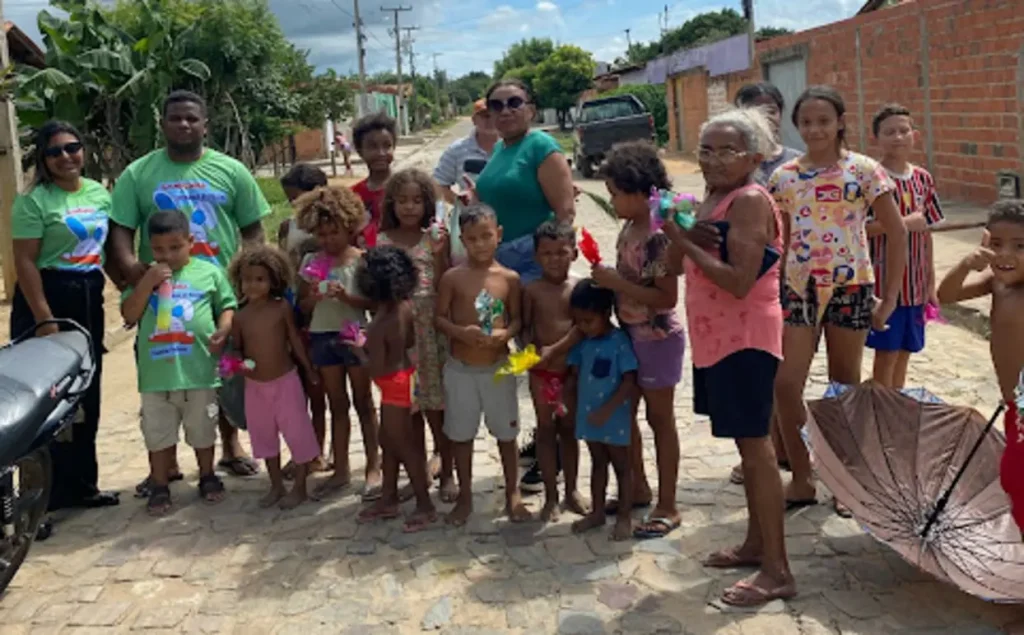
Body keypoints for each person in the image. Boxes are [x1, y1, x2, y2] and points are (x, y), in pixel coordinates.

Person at [107, 90, 270, 495]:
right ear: (162, 123)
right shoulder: (138, 174)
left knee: (220, 371)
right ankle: (164, 466)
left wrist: (252, 277)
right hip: (161, 294)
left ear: (204, 125)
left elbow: (253, 229)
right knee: (161, 373)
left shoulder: (231, 171)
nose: (184, 124)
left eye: (191, 119)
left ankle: (230, 448)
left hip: (218, 287)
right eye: (175, 118)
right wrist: (132, 271)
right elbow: (121, 231)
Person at [666, 108, 795, 607]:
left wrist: (682, 242)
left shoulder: (748, 201)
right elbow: (681, 264)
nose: (713, 160)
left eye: (726, 151)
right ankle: (755, 544)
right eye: (706, 150)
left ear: (754, 157)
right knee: (746, 447)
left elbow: (739, 282)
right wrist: (679, 238)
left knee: (757, 448)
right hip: (717, 338)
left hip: (746, 337)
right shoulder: (715, 198)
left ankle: (778, 570)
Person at [767, 86, 908, 516]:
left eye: (824, 121)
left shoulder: (865, 171)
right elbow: (781, 238)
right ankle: (803, 477)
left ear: (841, 122)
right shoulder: (784, 177)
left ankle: (847, 480)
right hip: (798, 289)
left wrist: (889, 302)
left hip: (851, 288)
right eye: (806, 122)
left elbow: (897, 232)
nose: (815, 129)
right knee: (787, 384)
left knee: (843, 385)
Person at [9, 120, 119, 513]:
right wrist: (45, 319)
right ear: (43, 158)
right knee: (46, 401)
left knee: (86, 394)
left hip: (88, 295)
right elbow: (24, 261)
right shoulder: (34, 201)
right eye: (54, 152)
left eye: (72, 147)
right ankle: (40, 503)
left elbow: (107, 252)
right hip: (47, 297)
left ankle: (82, 486)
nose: (65, 157)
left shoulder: (99, 194)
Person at [590, 141, 685, 539]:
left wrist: (616, 281)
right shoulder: (630, 228)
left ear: (640, 191)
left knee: (659, 418)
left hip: (657, 339)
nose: (612, 201)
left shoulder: (658, 236)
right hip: (629, 334)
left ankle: (668, 503)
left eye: (615, 193)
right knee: (626, 417)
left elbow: (666, 298)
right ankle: (638, 486)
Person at [120, 211, 235, 515]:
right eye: (158, 249)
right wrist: (147, 283)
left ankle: (207, 475)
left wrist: (224, 328)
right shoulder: (144, 277)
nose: (167, 255)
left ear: (191, 243)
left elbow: (226, 305)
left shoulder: (208, 273)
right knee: (157, 432)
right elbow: (129, 314)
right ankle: (160, 485)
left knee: (202, 427)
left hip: (198, 370)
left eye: (175, 247)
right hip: (157, 375)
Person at [434, 203, 531, 526]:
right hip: (461, 368)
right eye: (472, 239)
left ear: (498, 235)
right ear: (462, 239)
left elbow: (517, 319)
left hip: (498, 367)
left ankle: (512, 493)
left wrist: (505, 333)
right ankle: (465, 497)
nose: (480, 244)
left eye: (486, 236)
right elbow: (439, 318)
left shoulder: (509, 278)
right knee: (461, 435)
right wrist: (461, 332)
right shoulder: (453, 278)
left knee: (506, 434)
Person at [727, 81, 801, 486]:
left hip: (795, 280)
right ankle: (767, 449)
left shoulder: (796, 163)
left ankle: (788, 447)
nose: (767, 114)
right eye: (756, 108)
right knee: (762, 373)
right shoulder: (737, 167)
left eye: (772, 107)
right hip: (751, 286)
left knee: (787, 375)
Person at [937, 200, 1024, 536]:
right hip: (1012, 401)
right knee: (1014, 477)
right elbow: (945, 295)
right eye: (997, 245)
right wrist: (965, 264)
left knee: (1016, 474)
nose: (1006, 256)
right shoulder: (996, 283)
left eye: (1020, 247)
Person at [295, 186, 381, 501]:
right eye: (322, 234)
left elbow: (372, 304)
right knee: (337, 404)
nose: (329, 240)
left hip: (354, 333)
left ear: (350, 227)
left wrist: (346, 297)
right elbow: (302, 306)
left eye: (335, 232)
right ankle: (341, 468)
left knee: (364, 402)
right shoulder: (312, 261)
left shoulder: (361, 260)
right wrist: (314, 296)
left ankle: (374, 465)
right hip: (323, 335)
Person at [377, 169, 455, 501]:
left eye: (417, 201)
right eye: (402, 201)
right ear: (391, 204)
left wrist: (438, 253)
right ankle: (419, 471)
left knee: (437, 406)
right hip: (400, 335)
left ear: (427, 204)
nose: (409, 208)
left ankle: (448, 470)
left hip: (430, 332)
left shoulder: (433, 237)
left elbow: (443, 283)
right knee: (408, 408)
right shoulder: (383, 240)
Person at [228, 245, 320, 510]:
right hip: (255, 386)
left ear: (273, 280)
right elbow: (237, 347)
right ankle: (276, 484)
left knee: (297, 433)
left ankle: (300, 486)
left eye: (260, 279)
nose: (253, 285)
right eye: (247, 279)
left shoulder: (281, 309)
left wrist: (309, 369)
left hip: (286, 381)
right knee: (263, 437)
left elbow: (294, 340)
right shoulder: (240, 316)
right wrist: (236, 363)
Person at [355, 245, 437, 532]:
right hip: (405, 377)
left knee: (402, 445)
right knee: (388, 441)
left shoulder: (381, 322)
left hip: (393, 386)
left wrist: (359, 350)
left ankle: (425, 505)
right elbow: (409, 344)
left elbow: (374, 366)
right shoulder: (405, 308)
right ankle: (388, 497)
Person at [865, 104, 945, 388]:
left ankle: (896, 407)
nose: (897, 137)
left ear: (915, 135)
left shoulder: (923, 179)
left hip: (916, 284)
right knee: (885, 354)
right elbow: (859, 229)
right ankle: (881, 410)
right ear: (875, 138)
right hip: (886, 286)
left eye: (903, 130)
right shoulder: (870, 178)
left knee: (906, 351)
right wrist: (902, 223)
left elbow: (928, 232)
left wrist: (931, 282)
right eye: (889, 132)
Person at [473, 79, 576, 284]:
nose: (505, 111)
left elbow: (565, 214)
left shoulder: (541, 146)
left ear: (531, 110)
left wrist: (549, 262)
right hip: (498, 259)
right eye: (496, 105)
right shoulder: (499, 149)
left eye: (514, 103)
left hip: (531, 263)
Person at [522, 220, 588, 521]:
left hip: (571, 372)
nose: (554, 259)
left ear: (574, 253)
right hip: (541, 374)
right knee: (546, 431)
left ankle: (572, 489)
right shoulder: (531, 290)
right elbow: (523, 328)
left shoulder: (578, 287)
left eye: (561, 252)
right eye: (546, 254)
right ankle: (550, 494)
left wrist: (556, 350)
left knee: (569, 431)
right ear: (536, 256)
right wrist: (531, 354)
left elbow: (581, 328)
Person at [564, 279, 638, 541]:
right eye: (578, 322)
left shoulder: (619, 342)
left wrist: (608, 410)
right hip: (589, 416)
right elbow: (573, 376)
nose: (583, 327)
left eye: (588, 321)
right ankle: (597, 512)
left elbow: (629, 380)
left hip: (613, 417)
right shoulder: (582, 343)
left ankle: (624, 517)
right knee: (597, 464)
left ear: (606, 314)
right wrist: (567, 405)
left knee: (621, 466)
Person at [276, 164, 330, 476]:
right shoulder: (288, 227)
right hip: (297, 309)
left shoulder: (333, 225)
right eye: (291, 200)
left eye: (298, 198)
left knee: (323, 389)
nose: (296, 205)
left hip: (325, 311)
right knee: (302, 389)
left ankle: (321, 450)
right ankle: (305, 450)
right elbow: (284, 268)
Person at [734, 82, 803, 186]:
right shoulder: (734, 162)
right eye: (757, 112)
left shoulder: (797, 161)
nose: (766, 118)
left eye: (771, 111)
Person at [433, 99, 497, 206]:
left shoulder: (513, 148)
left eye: (493, 115)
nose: (489, 120)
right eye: (484, 116)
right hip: (470, 219)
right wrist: (460, 202)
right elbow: (438, 184)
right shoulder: (457, 149)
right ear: (474, 120)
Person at [351, 112, 397, 246]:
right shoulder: (352, 196)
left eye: (387, 146)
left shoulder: (407, 189)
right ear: (360, 151)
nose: (381, 153)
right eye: (372, 146)